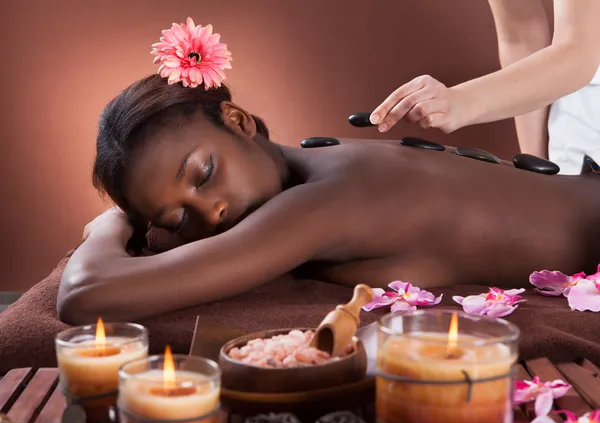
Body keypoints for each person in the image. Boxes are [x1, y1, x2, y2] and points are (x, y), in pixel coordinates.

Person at [58, 18, 600, 326]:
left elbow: (84, 295)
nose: (212, 211)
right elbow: (525, 28)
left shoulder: (321, 203)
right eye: (179, 216)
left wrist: (107, 226)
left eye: (203, 175)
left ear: (238, 120)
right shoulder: (322, 160)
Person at [369, 0, 600, 175]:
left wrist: (460, 101)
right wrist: (538, 169)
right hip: (575, 138)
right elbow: (522, 36)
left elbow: (578, 51)